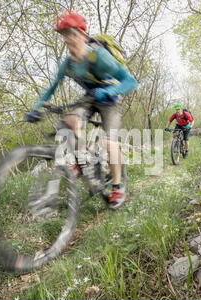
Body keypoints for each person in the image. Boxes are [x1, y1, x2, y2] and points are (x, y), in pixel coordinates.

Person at [25, 10, 138, 210]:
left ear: (83, 35)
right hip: (89, 96)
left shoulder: (100, 57)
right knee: (70, 121)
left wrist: (110, 90)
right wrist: (36, 108)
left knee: (108, 141)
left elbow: (130, 81)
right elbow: (50, 89)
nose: (67, 39)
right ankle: (82, 161)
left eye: (71, 34)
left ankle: (118, 187)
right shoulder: (68, 64)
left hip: (110, 98)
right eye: (64, 35)